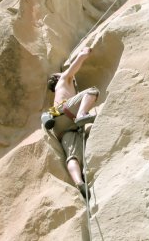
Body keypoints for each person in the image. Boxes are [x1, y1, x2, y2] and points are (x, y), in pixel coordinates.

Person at [46, 46, 99, 199]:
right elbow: (74, 67)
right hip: (67, 111)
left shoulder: (58, 90)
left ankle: (79, 182)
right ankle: (82, 113)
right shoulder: (63, 79)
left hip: (62, 128)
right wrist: (83, 54)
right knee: (92, 91)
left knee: (73, 156)